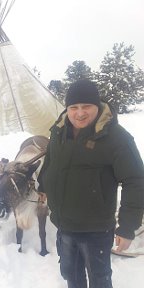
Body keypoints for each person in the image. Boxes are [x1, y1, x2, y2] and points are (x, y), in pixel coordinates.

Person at [38, 79, 144, 288]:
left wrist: (127, 227)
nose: (80, 113)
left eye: (86, 106)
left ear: (98, 106)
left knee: (99, 279)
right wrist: (43, 185)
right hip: (64, 224)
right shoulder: (58, 131)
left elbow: (136, 181)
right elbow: (50, 160)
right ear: (67, 108)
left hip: (96, 230)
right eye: (74, 107)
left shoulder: (116, 138)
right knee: (71, 274)